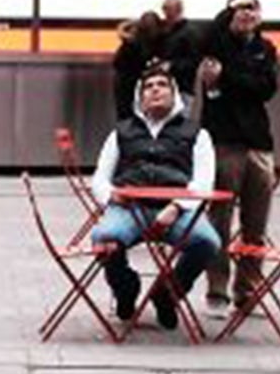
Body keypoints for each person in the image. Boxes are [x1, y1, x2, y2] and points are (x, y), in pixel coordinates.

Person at [88, 60, 221, 328]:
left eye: (162, 85)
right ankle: (126, 288)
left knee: (208, 242)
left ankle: (167, 294)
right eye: (148, 87)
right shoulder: (120, 132)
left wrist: (177, 207)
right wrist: (112, 196)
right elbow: (99, 179)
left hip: (177, 209)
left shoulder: (198, 133)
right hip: (129, 208)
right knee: (103, 237)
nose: (155, 90)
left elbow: (203, 182)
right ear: (140, 96)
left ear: (174, 95)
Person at [196, 0, 280, 311]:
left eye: (253, 8)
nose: (247, 14)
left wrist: (227, 78)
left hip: (259, 143)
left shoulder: (265, 48)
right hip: (224, 141)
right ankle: (216, 290)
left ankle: (247, 290)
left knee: (255, 224)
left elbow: (265, 88)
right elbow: (204, 40)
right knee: (219, 219)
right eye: (240, 8)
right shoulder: (218, 42)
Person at [110, 12, 165, 121]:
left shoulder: (158, 41)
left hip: (140, 84)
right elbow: (118, 62)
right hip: (128, 84)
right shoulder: (132, 42)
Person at [160, 0, 203, 95]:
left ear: (178, 9)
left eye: (167, 9)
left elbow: (195, 61)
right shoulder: (166, 32)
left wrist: (172, 65)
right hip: (168, 87)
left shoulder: (190, 33)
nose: (165, 13)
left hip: (183, 87)